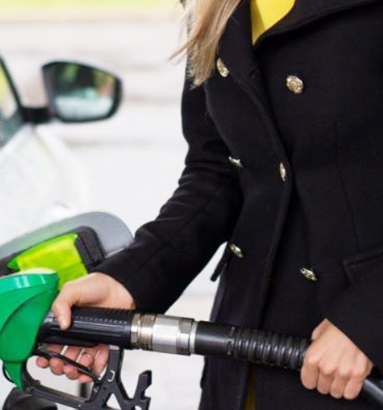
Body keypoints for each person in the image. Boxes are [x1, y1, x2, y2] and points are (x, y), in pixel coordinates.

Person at [36, 0, 383, 409]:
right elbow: (217, 172)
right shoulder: (214, 6)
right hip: (243, 361)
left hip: (356, 370)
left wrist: (367, 320)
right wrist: (130, 280)